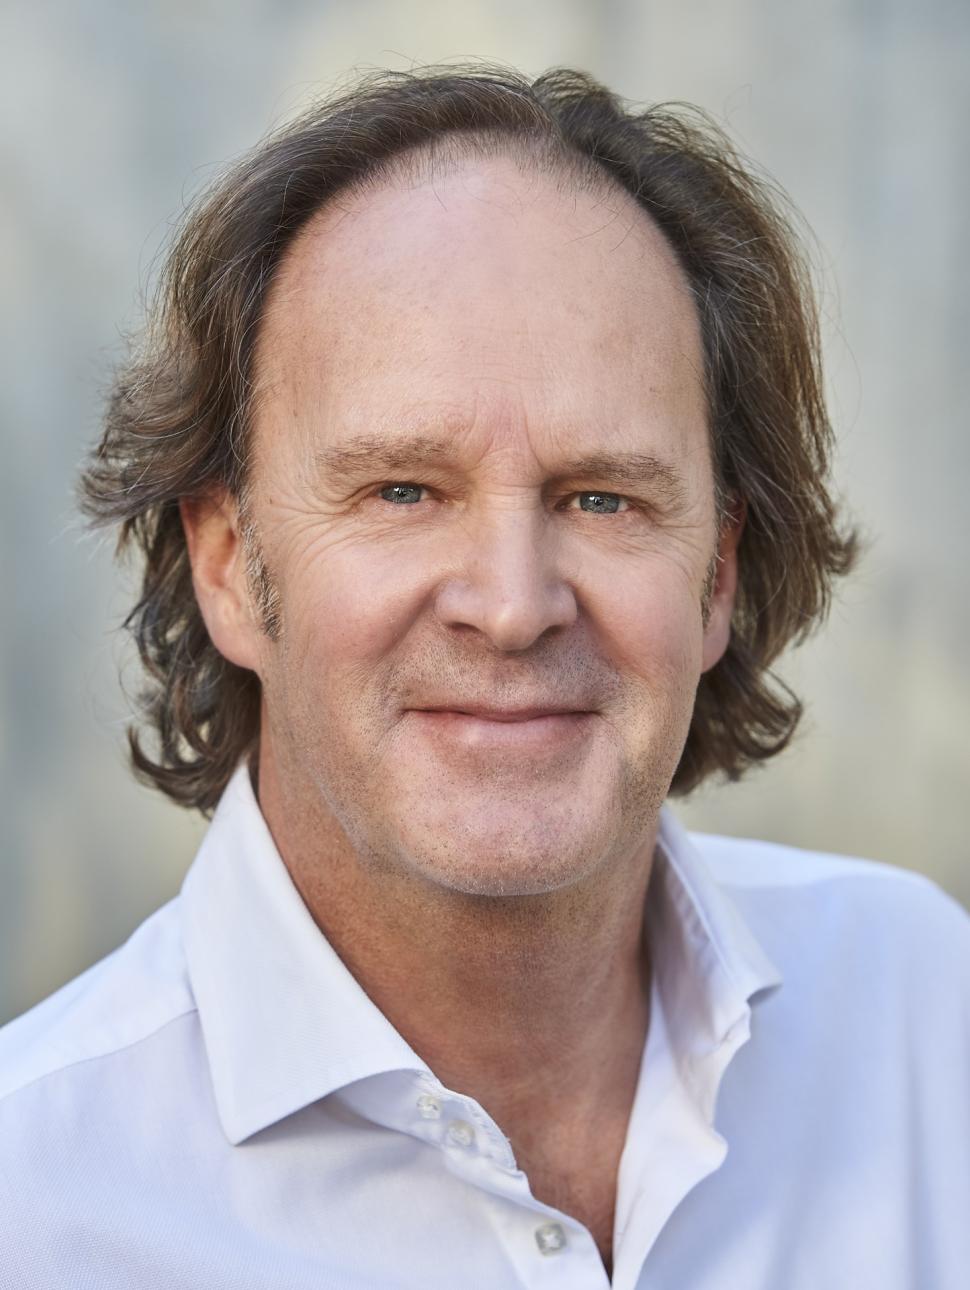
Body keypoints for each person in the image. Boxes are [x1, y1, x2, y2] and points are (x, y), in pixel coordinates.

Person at [1, 63, 967, 1290]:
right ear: (233, 567)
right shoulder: (33, 1203)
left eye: (602, 497)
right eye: (403, 490)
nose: (513, 606)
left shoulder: (927, 1016)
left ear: (717, 578)